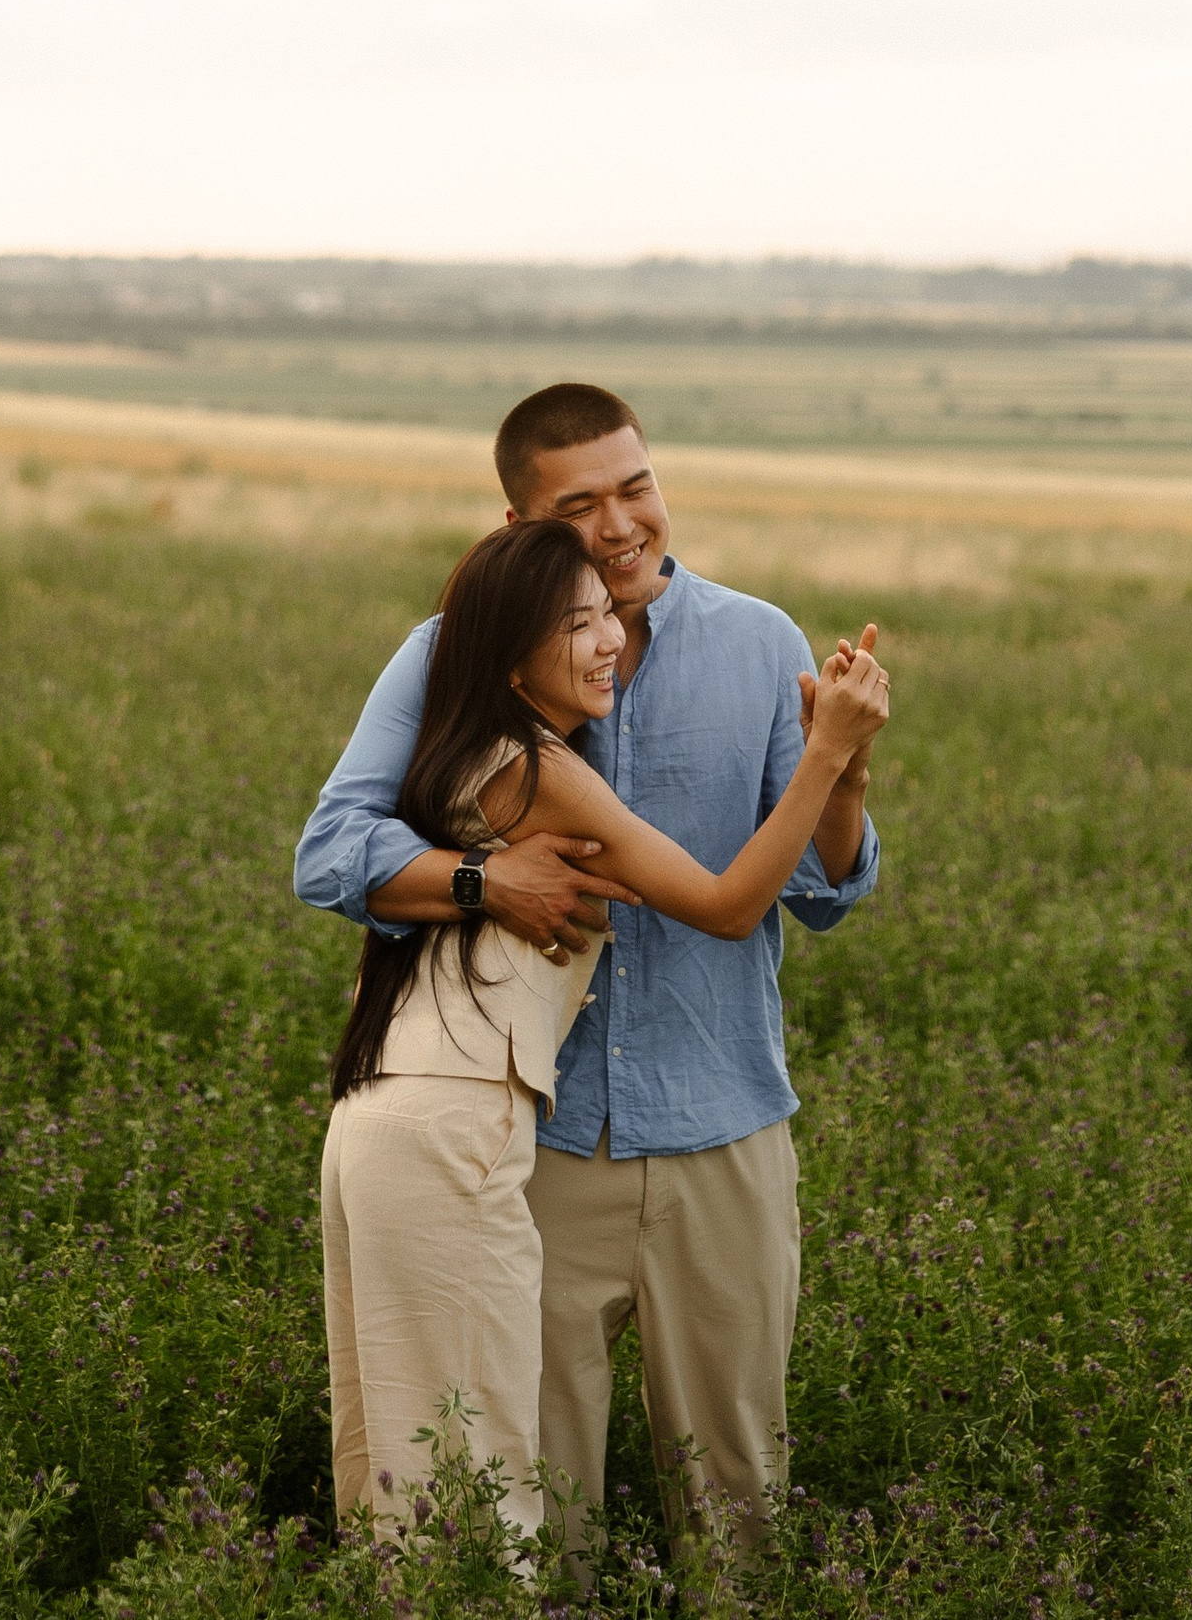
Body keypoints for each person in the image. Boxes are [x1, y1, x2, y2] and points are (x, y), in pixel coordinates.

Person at [296, 383, 886, 1553]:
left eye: (637, 486)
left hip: (722, 1119)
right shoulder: (452, 651)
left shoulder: (760, 642)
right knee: (534, 1497)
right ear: (522, 524)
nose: (621, 525)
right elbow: (332, 853)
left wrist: (843, 778)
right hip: (534, 1144)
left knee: (740, 1503)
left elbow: (822, 894)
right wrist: (484, 881)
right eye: (581, 506)